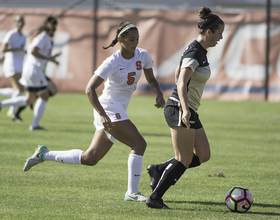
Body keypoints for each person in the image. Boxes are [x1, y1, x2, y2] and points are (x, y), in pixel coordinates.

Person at [22, 21, 165, 202]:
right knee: (139, 144)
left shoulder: (142, 55)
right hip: (108, 108)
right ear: (120, 39)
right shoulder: (112, 61)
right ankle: (132, 192)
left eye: (137, 39)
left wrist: (158, 92)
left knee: (91, 158)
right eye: (131, 39)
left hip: (118, 109)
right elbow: (89, 89)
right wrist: (103, 114)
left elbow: (151, 79)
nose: (135, 43)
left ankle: (44, 154)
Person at [146, 7, 224, 209]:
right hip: (180, 108)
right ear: (209, 32)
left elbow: (177, 72)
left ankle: (159, 169)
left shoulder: (200, 52)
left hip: (188, 108)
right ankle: (155, 198)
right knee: (184, 158)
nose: (221, 37)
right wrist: (185, 108)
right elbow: (181, 82)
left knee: (203, 155)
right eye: (218, 33)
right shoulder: (195, 51)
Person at [0, 16, 60, 128]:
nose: (54, 27)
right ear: (47, 25)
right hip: (34, 69)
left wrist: (51, 58)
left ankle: (2, 104)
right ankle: (34, 125)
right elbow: (33, 51)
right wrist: (49, 58)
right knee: (45, 95)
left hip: (31, 69)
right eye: (52, 24)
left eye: (55, 24)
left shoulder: (42, 36)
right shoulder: (44, 36)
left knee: (29, 99)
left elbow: (35, 52)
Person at [0, 15, 26, 119]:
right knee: (19, 89)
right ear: (15, 23)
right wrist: (17, 49)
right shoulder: (11, 34)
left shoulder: (23, 36)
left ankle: (12, 111)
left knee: (18, 89)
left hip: (19, 65)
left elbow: (21, 50)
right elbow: (3, 49)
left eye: (22, 21)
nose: (20, 23)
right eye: (18, 21)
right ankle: (12, 112)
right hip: (11, 64)